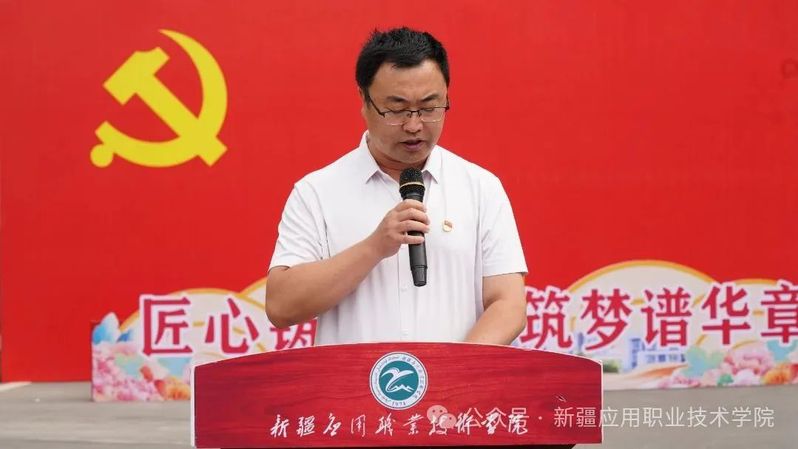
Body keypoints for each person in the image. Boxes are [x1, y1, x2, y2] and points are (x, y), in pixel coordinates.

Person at [265, 27, 527, 345]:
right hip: (352, 380)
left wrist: (453, 371)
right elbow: (281, 306)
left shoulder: (480, 188)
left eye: (429, 108)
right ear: (364, 101)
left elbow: (508, 305)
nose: (414, 125)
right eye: (397, 109)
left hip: (454, 379)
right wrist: (375, 247)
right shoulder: (317, 192)